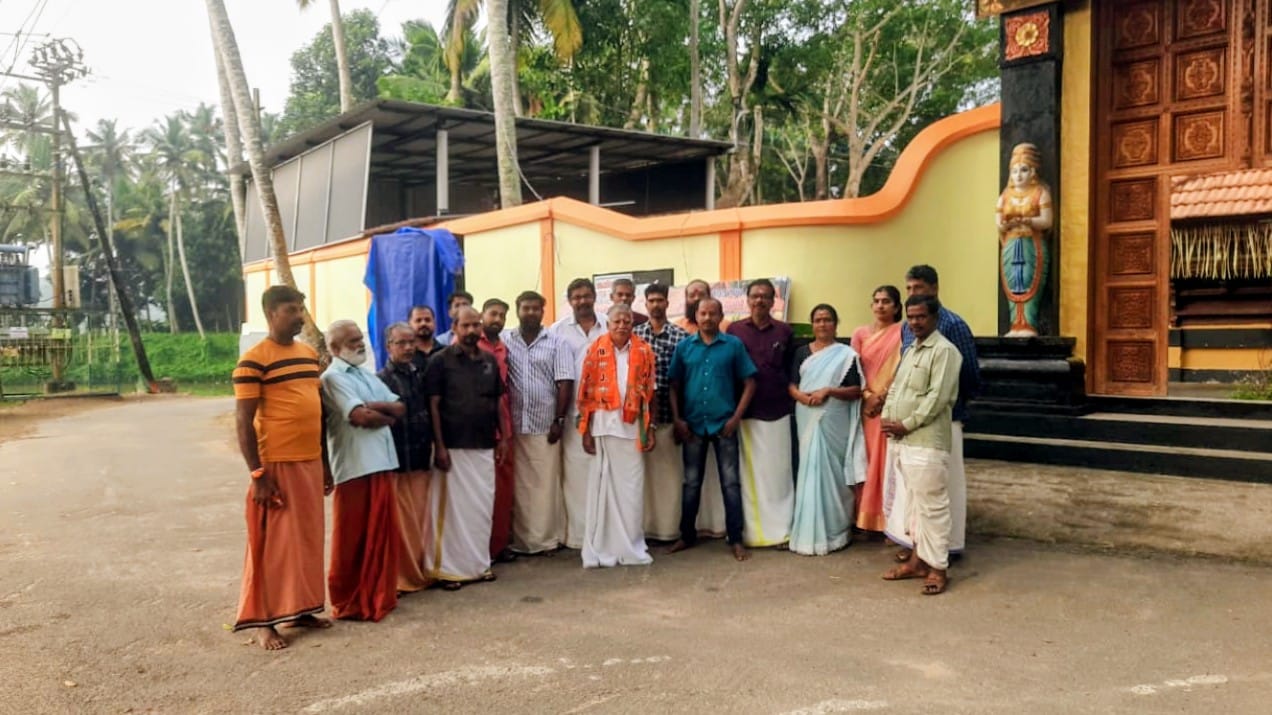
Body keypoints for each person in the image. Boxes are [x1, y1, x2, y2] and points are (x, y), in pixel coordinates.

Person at [231, 286, 330, 651]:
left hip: (310, 461)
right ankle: (265, 621)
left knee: (306, 540)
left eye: (301, 308)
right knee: (271, 546)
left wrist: (326, 464)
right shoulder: (253, 361)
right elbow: (243, 422)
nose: (300, 316)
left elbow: (318, 412)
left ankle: (300, 609)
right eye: (292, 309)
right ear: (271, 313)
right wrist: (258, 475)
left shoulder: (308, 355)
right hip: (276, 465)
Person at [886, 265, 980, 560]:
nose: (913, 294)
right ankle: (917, 548)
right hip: (907, 427)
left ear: (935, 289)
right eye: (909, 289)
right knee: (913, 491)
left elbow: (969, 375)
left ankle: (944, 550)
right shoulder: (906, 327)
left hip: (943, 420)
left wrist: (948, 405)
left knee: (942, 489)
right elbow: (903, 373)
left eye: (919, 288)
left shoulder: (953, 325)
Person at [321, 320, 404, 622]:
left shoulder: (365, 374)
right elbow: (360, 417)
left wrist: (373, 409)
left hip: (381, 462)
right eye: (352, 340)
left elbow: (400, 408)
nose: (360, 344)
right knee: (351, 538)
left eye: (360, 338)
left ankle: (378, 595)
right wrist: (382, 415)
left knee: (382, 537)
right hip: (354, 466)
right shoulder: (332, 378)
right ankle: (349, 601)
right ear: (334, 348)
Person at [881, 295, 962, 596]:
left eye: (921, 316)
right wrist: (888, 418)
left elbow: (938, 398)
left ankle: (938, 568)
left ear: (935, 318)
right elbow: (896, 388)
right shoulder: (911, 350)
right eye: (911, 317)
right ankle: (917, 562)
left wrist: (907, 423)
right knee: (914, 505)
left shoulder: (945, 351)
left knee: (932, 507)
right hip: (902, 441)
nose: (915, 322)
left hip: (927, 443)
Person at [667, 297, 757, 562]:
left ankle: (736, 539)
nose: (707, 318)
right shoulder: (684, 347)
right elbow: (673, 385)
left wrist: (736, 418)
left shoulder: (733, 345)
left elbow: (750, 382)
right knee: (691, 483)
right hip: (693, 425)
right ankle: (686, 535)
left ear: (720, 316)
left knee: (730, 483)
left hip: (724, 424)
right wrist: (677, 419)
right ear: (696, 316)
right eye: (703, 313)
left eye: (712, 313)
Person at [426, 306, 505, 589]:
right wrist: (440, 446)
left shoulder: (488, 361)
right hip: (453, 446)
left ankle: (478, 566)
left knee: (480, 508)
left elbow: (497, 401)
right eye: (466, 326)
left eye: (475, 325)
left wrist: (503, 438)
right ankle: (448, 571)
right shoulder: (440, 361)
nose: (471, 331)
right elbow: (433, 405)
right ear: (454, 328)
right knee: (451, 512)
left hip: (484, 443)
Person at [577, 304, 658, 568]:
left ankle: (631, 546)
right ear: (608, 324)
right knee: (603, 491)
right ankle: (603, 546)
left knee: (632, 490)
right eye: (617, 321)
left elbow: (651, 393)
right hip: (603, 427)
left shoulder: (644, 350)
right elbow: (586, 393)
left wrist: (651, 428)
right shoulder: (595, 349)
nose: (622, 325)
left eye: (627, 321)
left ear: (632, 324)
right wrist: (585, 431)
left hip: (633, 429)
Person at [788, 304, 867, 555]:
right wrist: (802, 397)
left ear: (836, 323)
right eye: (818, 320)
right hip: (807, 414)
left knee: (833, 471)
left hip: (834, 418)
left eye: (827, 319)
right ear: (812, 325)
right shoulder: (801, 352)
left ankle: (837, 530)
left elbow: (856, 390)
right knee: (809, 468)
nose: (822, 324)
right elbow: (791, 384)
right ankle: (807, 533)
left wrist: (828, 391)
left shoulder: (846, 354)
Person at [504, 291, 574, 554]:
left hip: (545, 424)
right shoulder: (506, 340)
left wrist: (559, 419)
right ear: (517, 310)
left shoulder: (557, 342)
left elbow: (565, 382)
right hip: (514, 424)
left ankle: (545, 540)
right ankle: (521, 541)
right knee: (520, 486)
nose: (531, 312)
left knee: (545, 484)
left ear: (543, 312)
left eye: (536, 308)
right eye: (526, 308)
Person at [727, 278, 795, 547]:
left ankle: (782, 530)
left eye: (765, 296)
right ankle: (754, 534)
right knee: (751, 475)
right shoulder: (734, 330)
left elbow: (790, 370)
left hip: (778, 411)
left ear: (773, 301)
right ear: (747, 299)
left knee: (778, 474)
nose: (759, 300)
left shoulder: (784, 331)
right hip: (746, 413)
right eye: (755, 296)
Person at [549, 278, 608, 549]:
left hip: (607, 413)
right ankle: (579, 536)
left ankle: (605, 532)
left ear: (594, 296)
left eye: (586, 296)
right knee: (576, 476)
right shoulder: (557, 331)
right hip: (572, 413)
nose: (582, 301)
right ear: (570, 301)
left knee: (604, 473)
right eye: (576, 297)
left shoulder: (609, 325)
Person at [377, 322, 435, 594]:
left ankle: (423, 571)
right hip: (398, 461)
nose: (408, 347)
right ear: (389, 346)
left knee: (422, 519)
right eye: (401, 343)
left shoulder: (420, 373)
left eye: (411, 342)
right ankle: (402, 578)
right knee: (402, 523)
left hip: (421, 458)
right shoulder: (381, 380)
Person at [632, 283, 690, 542]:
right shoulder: (635, 335)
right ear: (645, 304)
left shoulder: (681, 336)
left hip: (670, 416)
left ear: (667, 303)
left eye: (660, 300)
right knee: (643, 479)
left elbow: (685, 380)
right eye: (651, 300)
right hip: (640, 420)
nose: (656, 305)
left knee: (669, 477)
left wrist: (681, 419)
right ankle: (645, 530)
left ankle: (668, 530)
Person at [850, 286, 903, 534]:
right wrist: (867, 396)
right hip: (865, 407)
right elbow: (853, 369)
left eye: (886, 301)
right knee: (866, 460)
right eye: (877, 301)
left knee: (887, 461)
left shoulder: (902, 332)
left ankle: (888, 520)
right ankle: (864, 518)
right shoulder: (860, 334)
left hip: (890, 404)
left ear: (896, 307)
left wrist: (881, 397)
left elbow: (903, 368)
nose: (880, 305)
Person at [477, 298, 517, 563]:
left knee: (503, 491)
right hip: (479, 426)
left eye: (502, 315)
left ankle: (499, 546)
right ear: (483, 315)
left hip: (504, 424)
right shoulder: (471, 345)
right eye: (493, 314)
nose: (498, 319)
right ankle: (480, 549)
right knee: (481, 491)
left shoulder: (503, 347)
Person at [408, 305, 444, 369]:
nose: (423, 323)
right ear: (409, 325)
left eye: (427, 320)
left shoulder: (446, 353)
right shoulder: (406, 355)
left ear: (434, 323)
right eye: (418, 320)